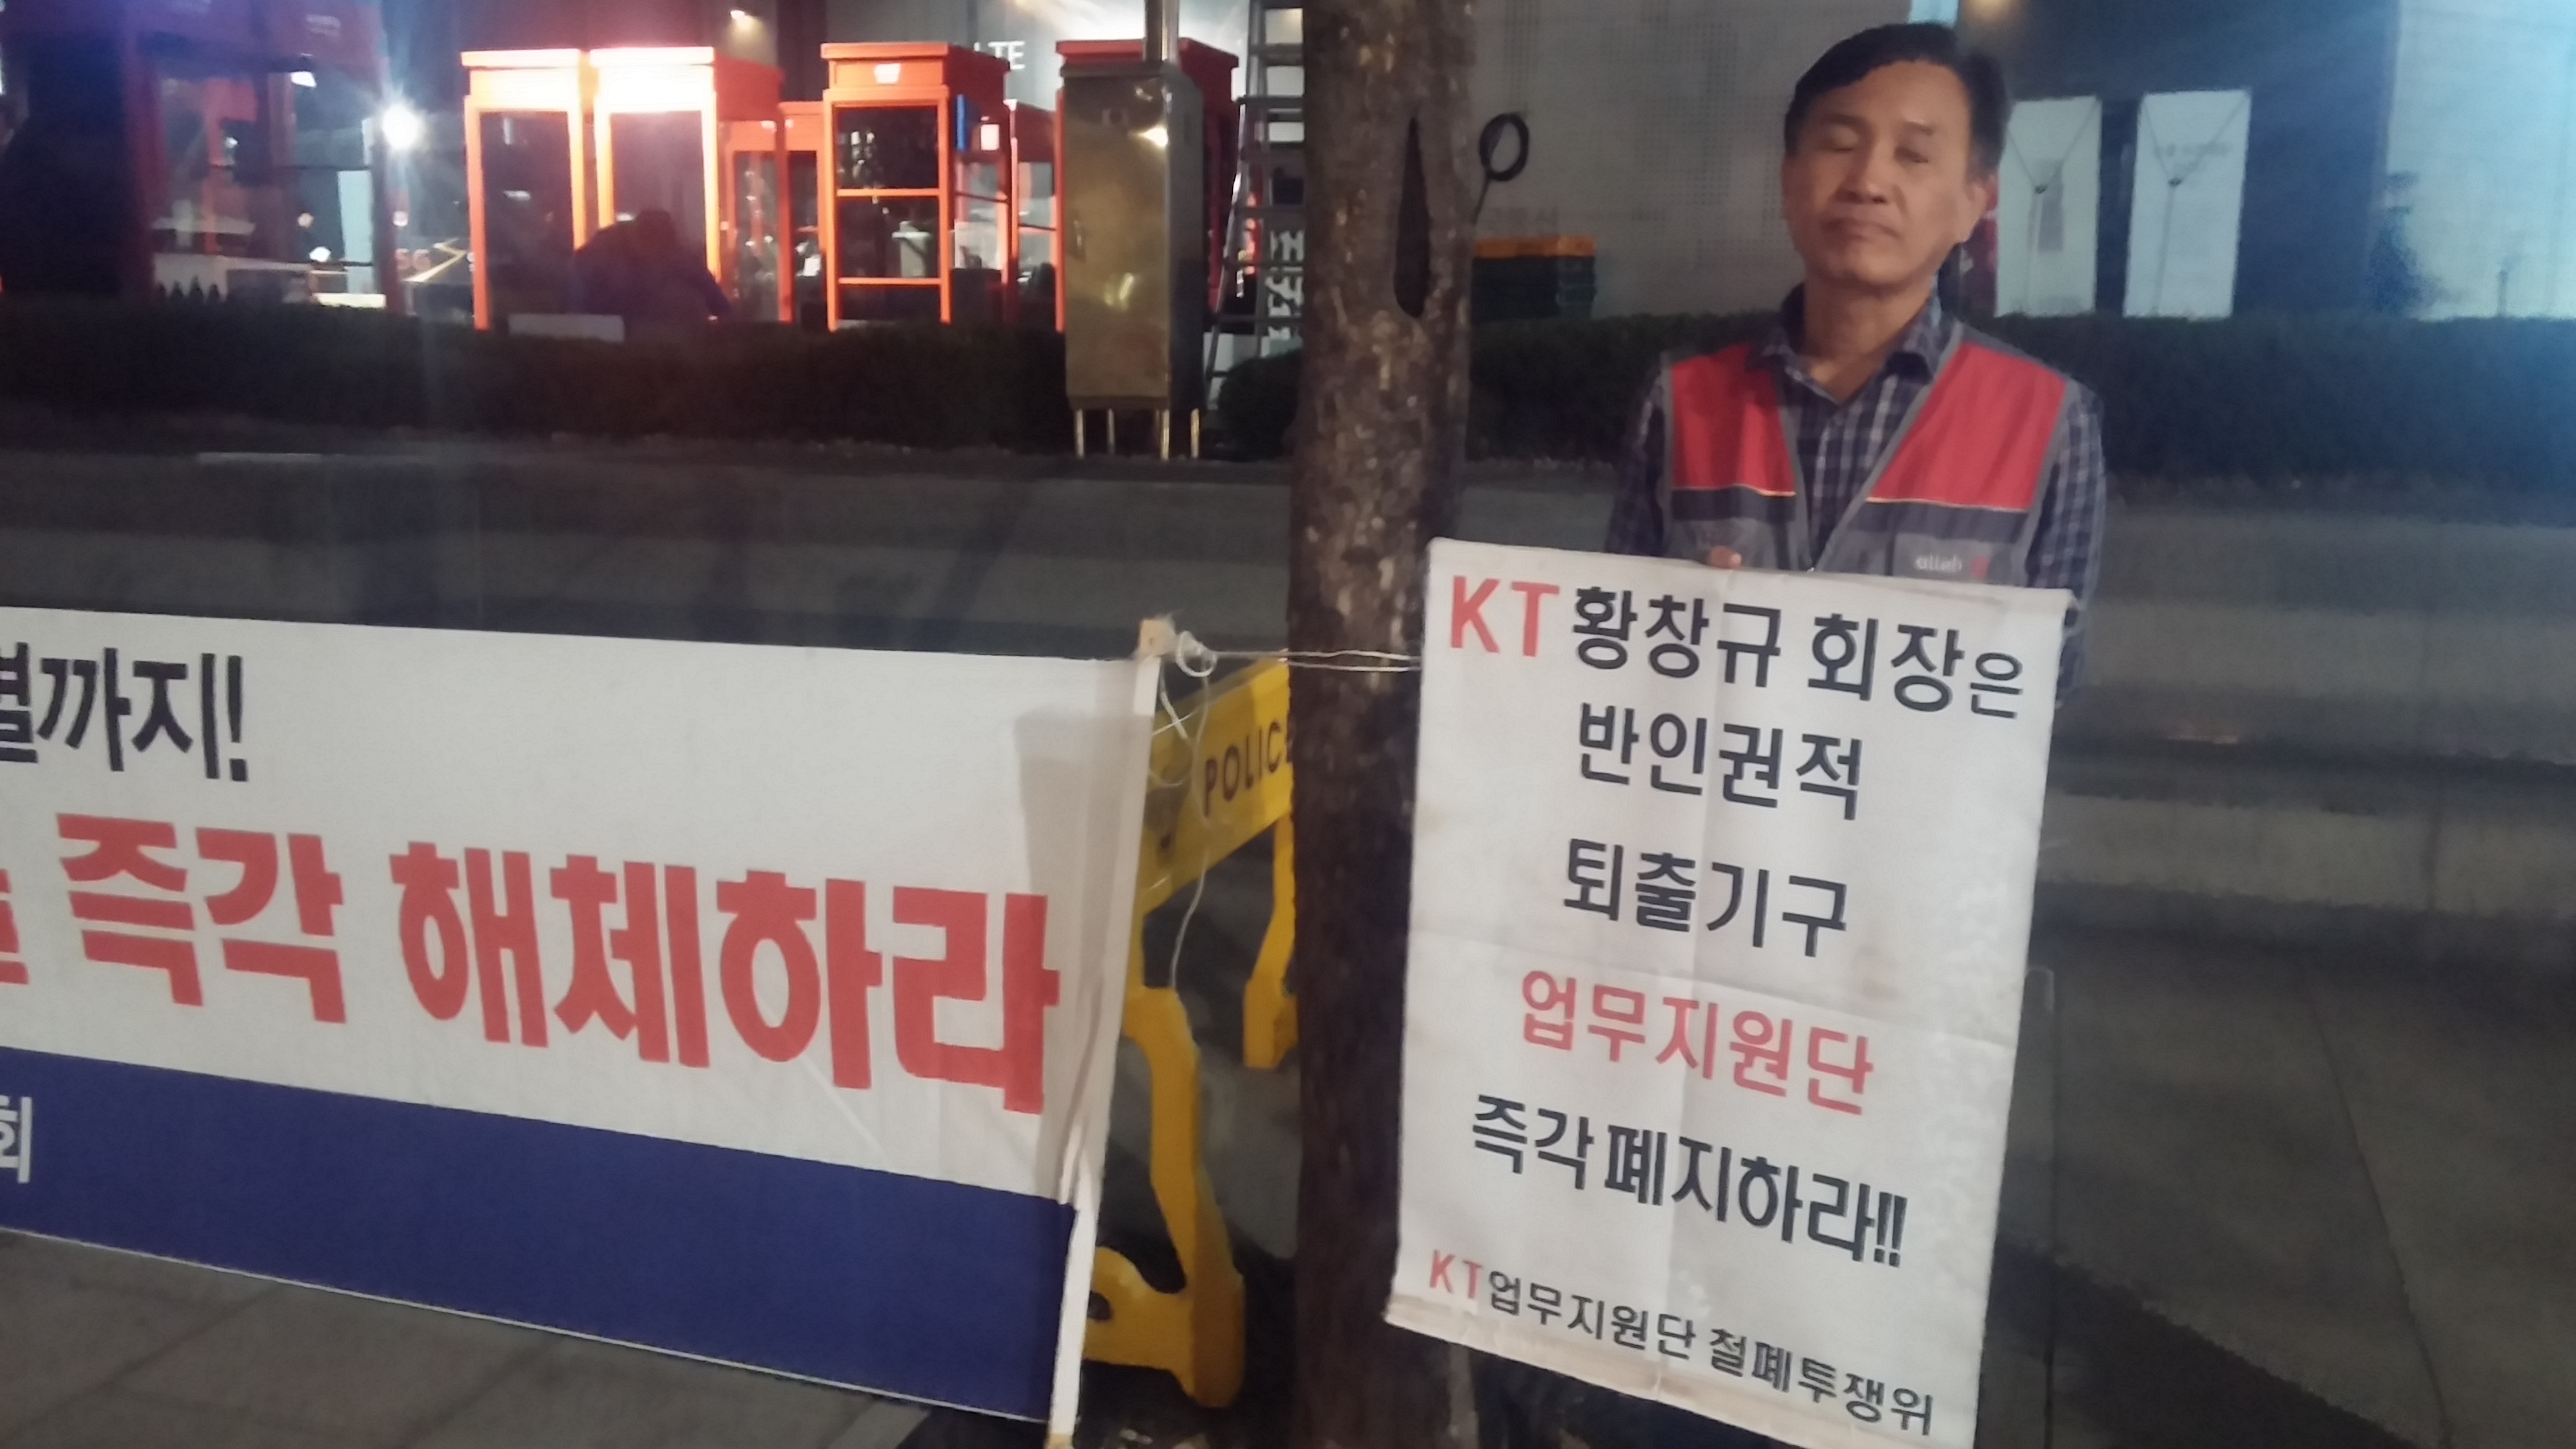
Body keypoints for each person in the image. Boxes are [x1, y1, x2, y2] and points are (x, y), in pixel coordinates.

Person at [1606, 23, 2107, 697]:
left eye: (1913, 155)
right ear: (1789, 179)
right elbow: (1613, 646)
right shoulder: (1679, 400)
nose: (1868, 181)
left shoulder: (2049, 423)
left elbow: (2048, 681)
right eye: (1840, 144)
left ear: (1975, 202)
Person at [564, 208, 732, 331]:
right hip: (602, 329)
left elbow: (708, 288)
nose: (659, 256)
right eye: (657, 249)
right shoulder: (605, 252)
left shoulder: (675, 256)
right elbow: (578, 298)